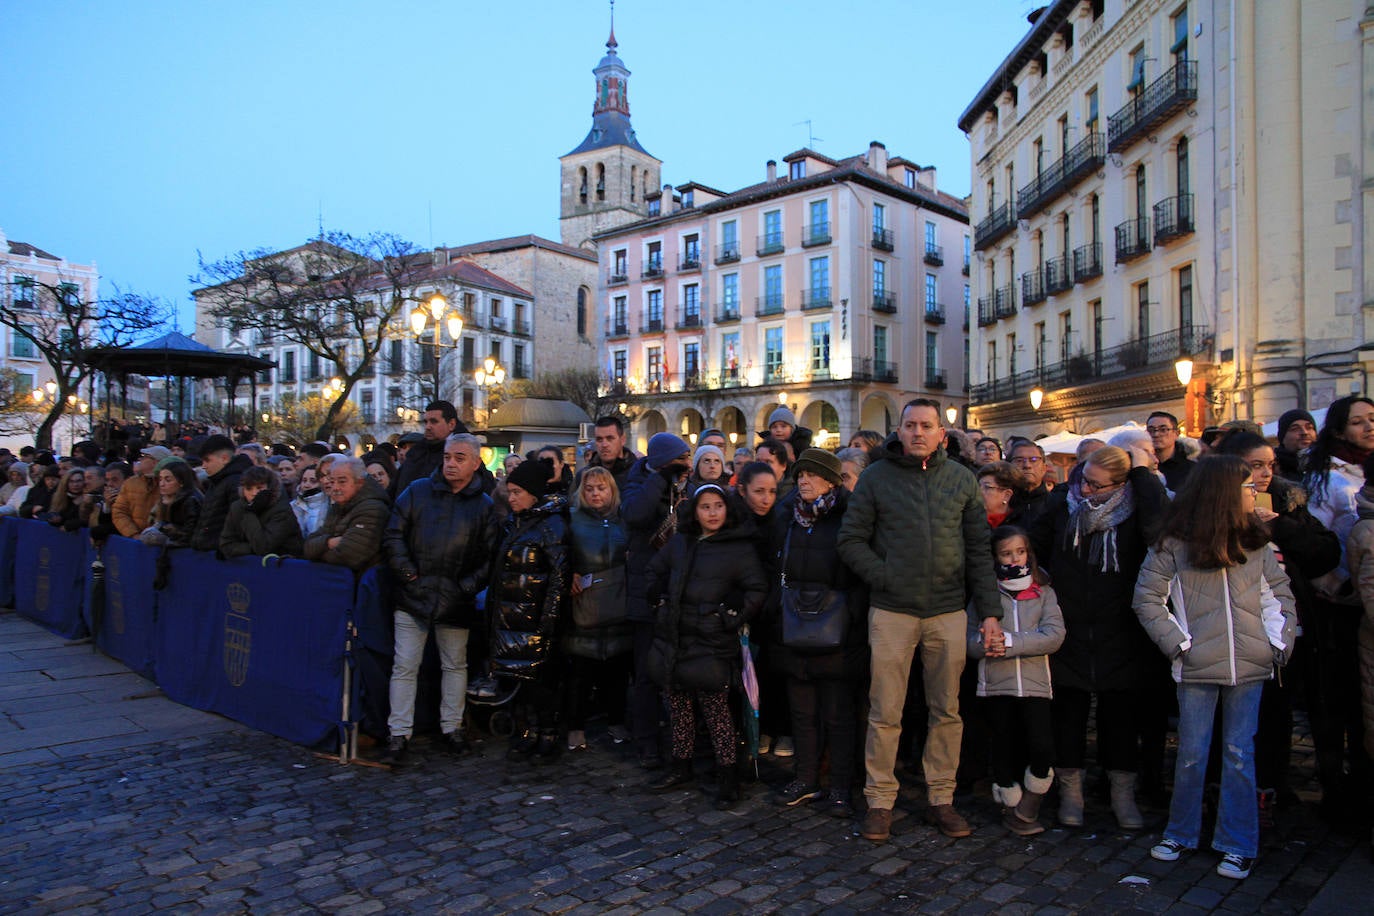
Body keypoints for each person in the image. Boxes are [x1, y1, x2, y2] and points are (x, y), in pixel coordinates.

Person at [837, 398, 1003, 842]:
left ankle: (941, 797)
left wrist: (989, 613)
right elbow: (851, 539)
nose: (917, 433)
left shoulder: (962, 480)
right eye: (910, 425)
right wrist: (884, 576)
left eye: (926, 426)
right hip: (892, 611)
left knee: (946, 710)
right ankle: (879, 800)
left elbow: (978, 552)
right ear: (899, 430)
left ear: (940, 434)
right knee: (884, 710)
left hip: (947, 611)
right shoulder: (875, 478)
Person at [1137, 455, 1297, 881]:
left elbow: (1277, 593)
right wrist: (1179, 645)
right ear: (1225, 492)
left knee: (1239, 754)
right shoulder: (1174, 542)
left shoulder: (1256, 541)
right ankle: (1181, 832)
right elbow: (1148, 599)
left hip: (1250, 663)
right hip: (1196, 665)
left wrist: (1278, 642)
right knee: (1191, 753)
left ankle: (1238, 841)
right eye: (1246, 486)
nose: (1254, 492)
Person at [1030, 444, 1169, 830]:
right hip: (1069, 624)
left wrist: (1143, 475)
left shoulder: (1137, 509)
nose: (1085, 490)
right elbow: (1033, 544)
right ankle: (1071, 791)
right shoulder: (1064, 503)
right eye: (1082, 479)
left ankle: (1121, 792)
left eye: (1094, 484)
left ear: (1121, 484)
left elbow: (1160, 531)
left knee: (1121, 717)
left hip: (1121, 628)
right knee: (1068, 714)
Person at [1217, 431, 1341, 822]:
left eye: (1270, 465)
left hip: (1288, 629)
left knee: (1278, 712)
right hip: (1234, 632)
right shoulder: (1213, 510)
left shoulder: (1290, 502)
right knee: (1235, 719)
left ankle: (1272, 784)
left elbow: (1324, 553)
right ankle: (1230, 791)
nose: (1266, 473)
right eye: (1256, 466)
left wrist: (1282, 527)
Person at [644, 483, 767, 810]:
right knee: (679, 705)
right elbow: (654, 571)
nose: (712, 513)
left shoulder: (738, 547)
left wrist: (728, 615)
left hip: (712, 639)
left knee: (716, 710)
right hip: (676, 634)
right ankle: (680, 765)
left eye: (717, 506)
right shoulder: (681, 541)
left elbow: (756, 590)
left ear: (727, 509)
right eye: (705, 507)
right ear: (695, 511)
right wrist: (659, 603)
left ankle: (728, 776)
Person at [380, 433, 497, 765]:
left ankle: (452, 727)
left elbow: (490, 556)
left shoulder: (484, 506)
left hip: (455, 600)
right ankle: (399, 733)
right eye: (448, 456)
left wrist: (464, 588)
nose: (451, 463)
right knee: (404, 665)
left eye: (460, 458)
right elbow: (394, 535)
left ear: (476, 463)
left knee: (455, 665)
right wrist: (407, 574)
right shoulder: (416, 491)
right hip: (413, 594)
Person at [768, 449, 868, 816]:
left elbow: (860, 570)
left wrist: (851, 613)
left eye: (811, 475)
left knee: (839, 715)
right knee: (802, 712)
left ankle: (840, 785)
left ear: (830, 480)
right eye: (800, 476)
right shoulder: (786, 515)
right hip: (794, 623)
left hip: (838, 628)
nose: (803, 481)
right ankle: (805, 778)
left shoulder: (850, 515)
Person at [1299, 395, 1374, 818]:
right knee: (1338, 699)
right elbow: (1318, 540)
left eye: (1372, 419)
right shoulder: (1327, 477)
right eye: (1358, 421)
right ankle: (1338, 790)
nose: (1368, 427)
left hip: (1368, 602)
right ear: (1340, 429)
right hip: (1340, 603)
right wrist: (1333, 586)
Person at [967, 525, 1064, 836]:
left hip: (1035, 684)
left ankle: (1031, 804)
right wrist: (986, 645)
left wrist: (1008, 643)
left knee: (1041, 745)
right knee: (1004, 746)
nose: (1014, 558)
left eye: (1019, 552)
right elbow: (970, 640)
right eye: (1006, 553)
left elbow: (1053, 635)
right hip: (997, 685)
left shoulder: (1043, 591)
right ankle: (1011, 806)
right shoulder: (985, 594)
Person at [486, 458, 569, 764]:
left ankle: (547, 733)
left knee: (543, 684)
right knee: (519, 681)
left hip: (535, 618)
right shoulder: (514, 522)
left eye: (518, 491)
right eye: (510, 491)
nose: (512, 497)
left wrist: (548, 620)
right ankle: (527, 732)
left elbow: (559, 577)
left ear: (534, 493)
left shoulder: (552, 525)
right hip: (512, 616)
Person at [621, 432, 693, 769]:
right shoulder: (637, 481)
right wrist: (659, 480)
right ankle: (647, 741)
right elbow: (635, 514)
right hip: (645, 590)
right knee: (646, 673)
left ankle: (683, 743)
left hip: (679, 591)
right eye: (681, 459)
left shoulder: (686, 486)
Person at [564, 466, 633, 752]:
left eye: (601, 488)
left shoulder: (624, 521)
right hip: (584, 604)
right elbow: (560, 553)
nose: (595, 493)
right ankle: (575, 726)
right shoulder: (571, 520)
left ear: (611, 490)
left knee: (616, 672)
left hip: (618, 602)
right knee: (580, 672)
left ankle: (616, 720)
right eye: (589, 488)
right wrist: (570, 573)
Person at [303, 457, 389, 572]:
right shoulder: (339, 506)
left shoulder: (373, 508)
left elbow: (349, 556)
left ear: (359, 482)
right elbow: (308, 546)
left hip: (360, 582)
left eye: (342, 481)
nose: (335, 487)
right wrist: (329, 542)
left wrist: (318, 555)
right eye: (332, 482)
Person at [219, 466, 304, 559]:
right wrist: (250, 548)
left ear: (270, 488)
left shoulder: (282, 510)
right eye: (248, 488)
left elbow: (263, 547)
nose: (254, 493)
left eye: (259, 488)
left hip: (283, 567)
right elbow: (226, 544)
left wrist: (249, 512)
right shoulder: (238, 507)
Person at [191, 435, 253, 553]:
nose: (203, 466)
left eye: (207, 460)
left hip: (222, 554)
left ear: (224, 458)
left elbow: (238, 523)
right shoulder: (217, 481)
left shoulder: (235, 482)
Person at [391, 400, 465, 497]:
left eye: (434, 422)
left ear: (451, 424)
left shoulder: (465, 454)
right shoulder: (415, 453)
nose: (428, 427)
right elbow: (392, 491)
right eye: (426, 422)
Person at [137, 458, 202, 547]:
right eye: (160, 479)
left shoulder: (191, 500)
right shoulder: (165, 499)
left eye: (168, 480)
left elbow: (189, 533)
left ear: (181, 482)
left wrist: (168, 535)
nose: (162, 484)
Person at [583, 416, 637, 490]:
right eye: (599, 439)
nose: (604, 445)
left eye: (610, 439)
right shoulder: (584, 476)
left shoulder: (639, 474)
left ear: (623, 440)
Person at [1146, 411, 1194, 492]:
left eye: (1163, 430)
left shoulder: (1192, 469)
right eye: (1151, 430)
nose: (1156, 434)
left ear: (1176, 433)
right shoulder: (1141, 467)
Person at [1275, 408, 1317, 482]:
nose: (1304, 432)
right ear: (1283, 437)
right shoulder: (1273, 468)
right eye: (1295, 429)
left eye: (1309, 427)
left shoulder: (1330, 464)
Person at [290, 466, 330, 538]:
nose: (306, 485)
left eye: (313, 481)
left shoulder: (330, 506)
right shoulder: (293, 505)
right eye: (304, 480)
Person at [977, 462, 1019, 527]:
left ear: (1007, 495)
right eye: (978, 486)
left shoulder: (1020, 523)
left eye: (987, 487)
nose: (979, 491)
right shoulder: (968, 520)